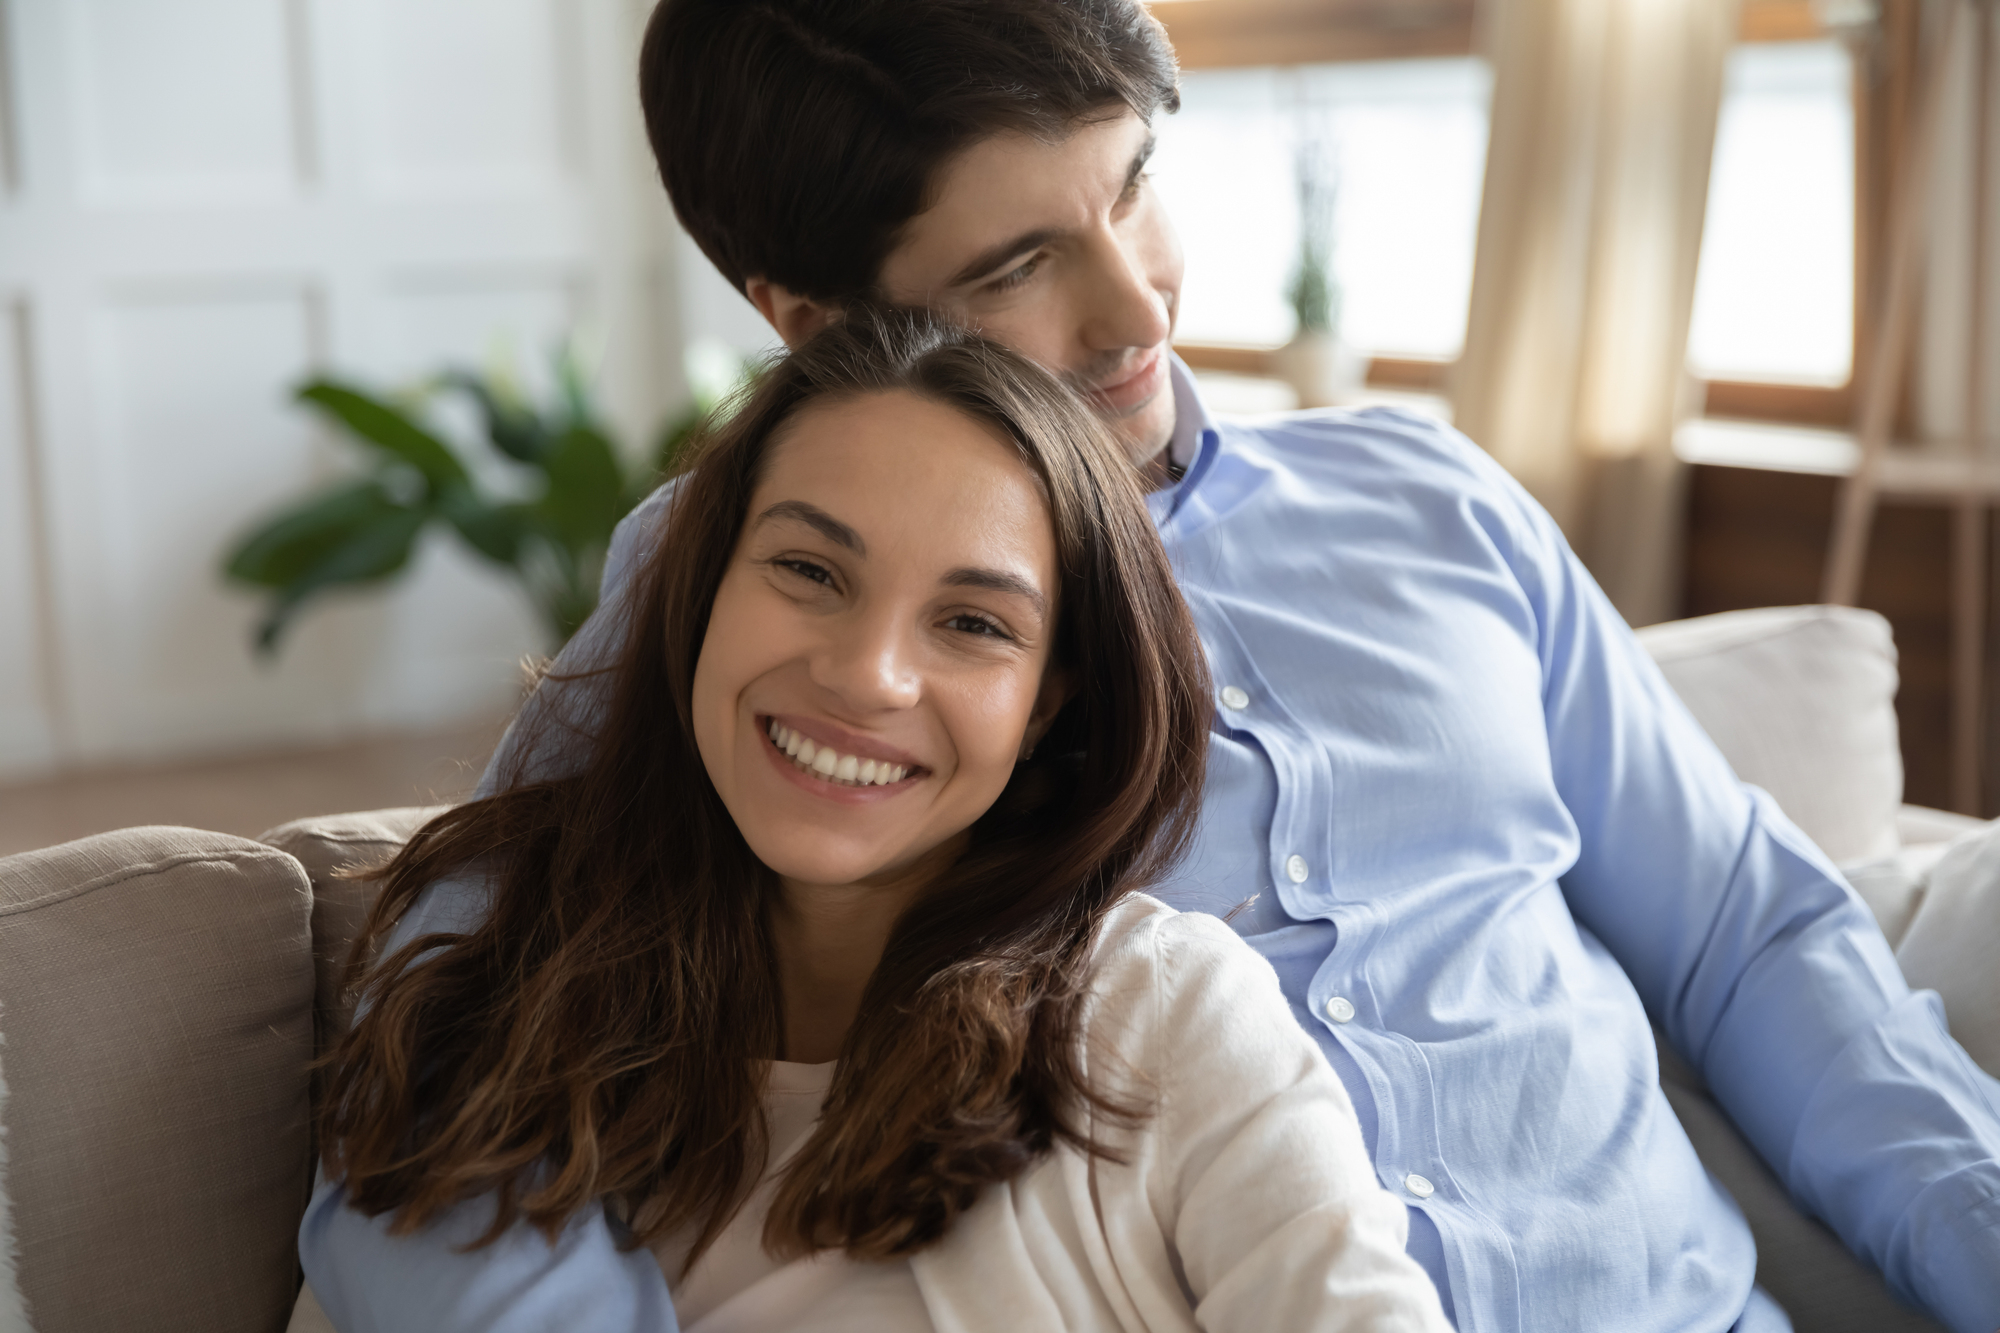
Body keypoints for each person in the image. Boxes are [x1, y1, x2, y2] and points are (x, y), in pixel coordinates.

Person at [324, 2, 2000, 1330]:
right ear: (815, 318)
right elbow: (451, 1056)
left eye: (1129, 190)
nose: (1135, 310)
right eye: (1015, 267)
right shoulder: (783, 614)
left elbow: (1750, 936)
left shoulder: (1433, 500)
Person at [301, 311, 1455, 1333]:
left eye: (972, 623)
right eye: (807, 568)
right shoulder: (503, 1045)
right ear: (703, 589)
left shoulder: (1166, 1012)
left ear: (1047, 700)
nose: (867, 676)